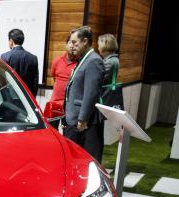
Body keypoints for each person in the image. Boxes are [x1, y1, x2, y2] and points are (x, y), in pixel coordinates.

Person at [63, 26, 105, 162]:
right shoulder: (83, 59)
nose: (72, 46)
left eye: (75, 42)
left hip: (82, 122)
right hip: (74, 118)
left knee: (85, 158)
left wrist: (82, 118)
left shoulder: (93, 60)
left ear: (85, 41)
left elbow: (91, 92)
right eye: (70, 42)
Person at [45, 34, 78, 121]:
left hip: (69, 105)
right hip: (55, 103)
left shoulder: (80, 63)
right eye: (70, 42)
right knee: (52, 129)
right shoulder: (57, 61)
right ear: (66, 44)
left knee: (67, 131)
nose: (72, 46)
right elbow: (54, 77)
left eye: (75, 44)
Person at [0, 28, 39, 97]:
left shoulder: (4, 56)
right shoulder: (33, 58)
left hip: (10, 98)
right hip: (27, 99)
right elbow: (35, 83)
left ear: (11, 41)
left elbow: (1, 80)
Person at [98, 33, 123, 111]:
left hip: (103, 95)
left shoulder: (110, 62)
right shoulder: (113, 59)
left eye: (99, 45)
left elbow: (99, 78)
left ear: (104, 46)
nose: (98, 48)